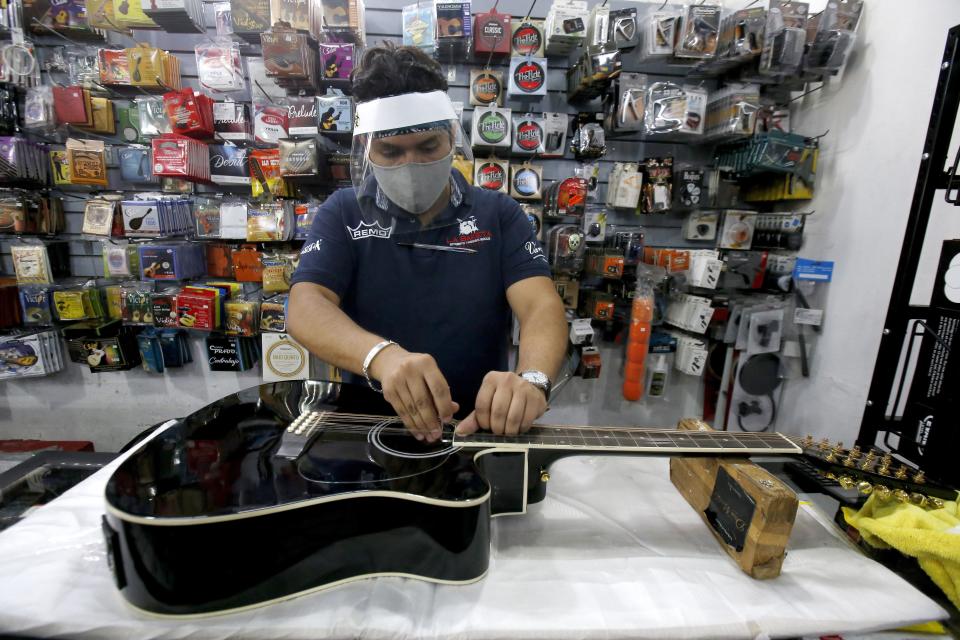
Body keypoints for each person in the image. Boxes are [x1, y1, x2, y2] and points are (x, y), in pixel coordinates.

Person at [288, 44, 567, 443]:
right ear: (367, 147)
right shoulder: (344, 212)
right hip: (367, 431)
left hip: (478, 431)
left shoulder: (499, 214)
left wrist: (534, 378)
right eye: (390, 151)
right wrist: (380, 356)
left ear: (452, 135)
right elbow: (305, 305)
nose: (411, 165)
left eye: (428, 147)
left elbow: (540, 304)